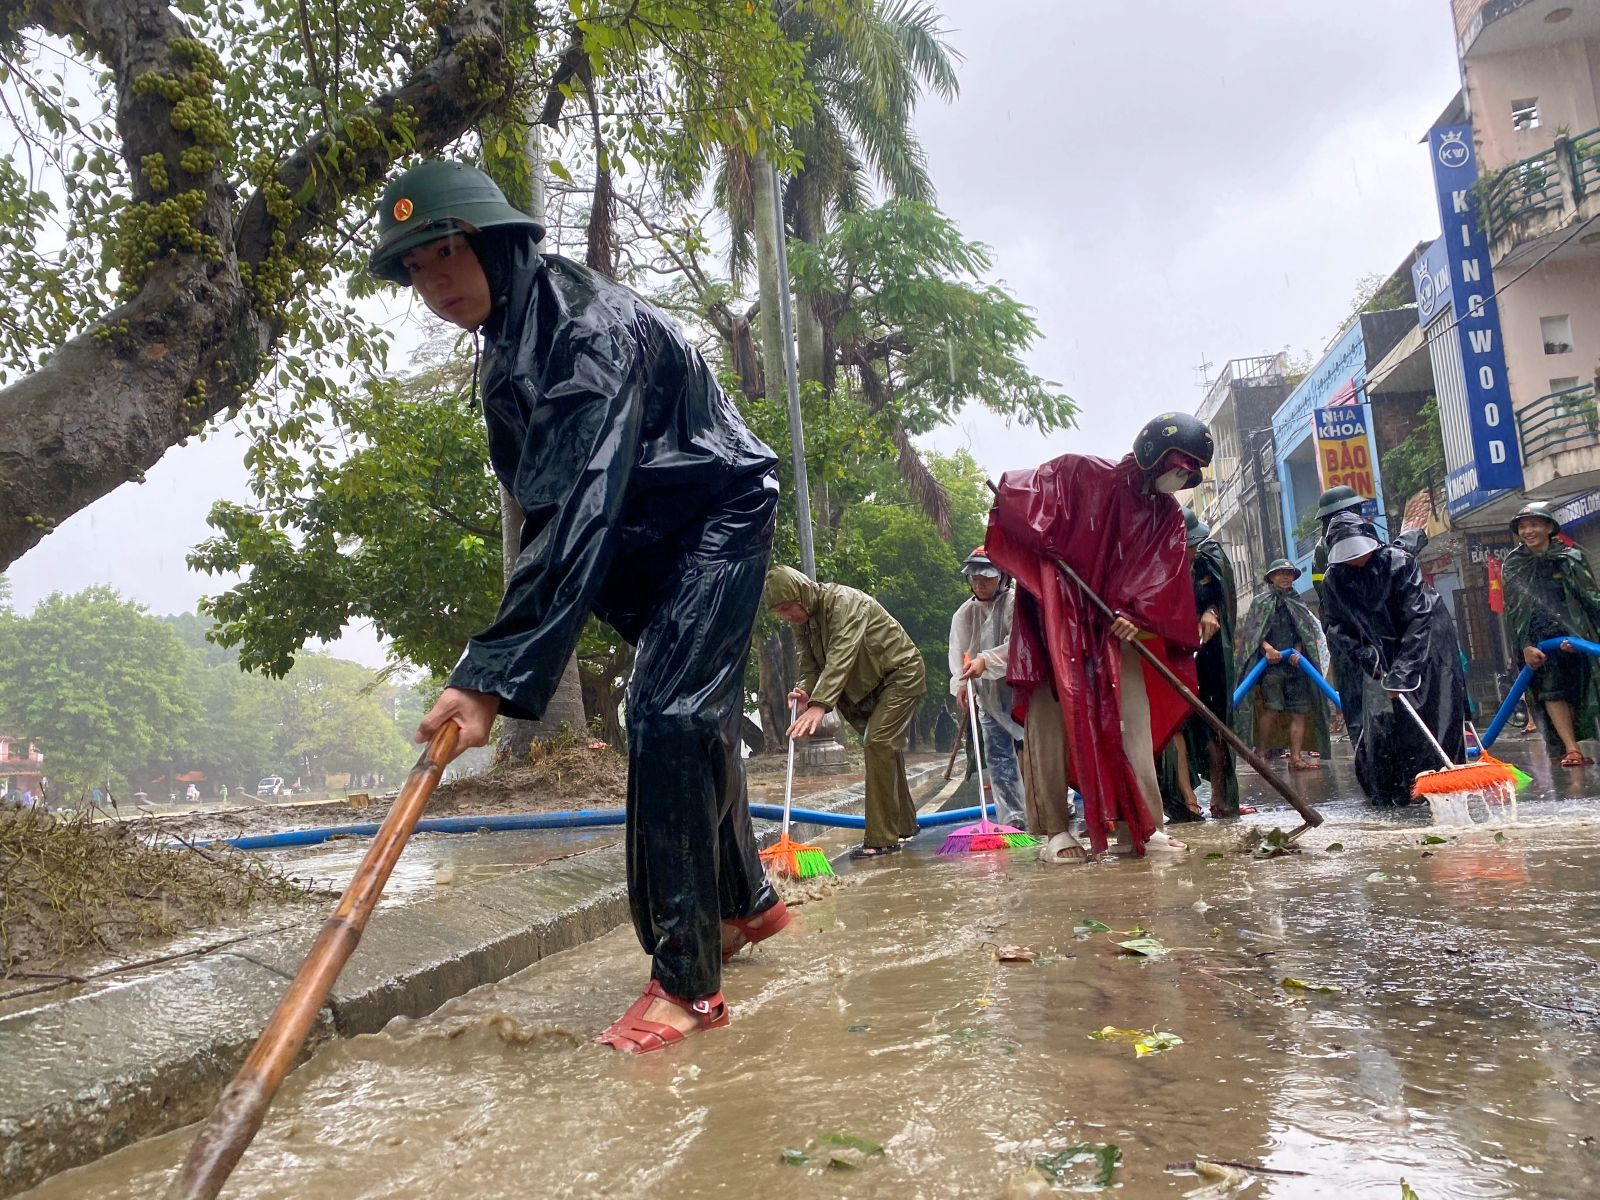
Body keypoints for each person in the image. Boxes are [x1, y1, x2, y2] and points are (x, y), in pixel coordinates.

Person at [369, 159, 786, 1053]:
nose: (434, 283)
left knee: (668, 716)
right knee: (693, 713)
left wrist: (488, 676)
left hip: (713, 512)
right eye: (415, 270)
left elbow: (574, 509)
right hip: (646, 539)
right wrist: (499, 660)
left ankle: (687, 984)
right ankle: (744, 902)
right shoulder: (505, 348)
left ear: (496, 243)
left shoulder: (584, 331)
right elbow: (549, 506)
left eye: (446, 254)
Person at [987, 412, 1211, 863]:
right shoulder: (1081, 474)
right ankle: (1055, 830)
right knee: (1051, 720)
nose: (1181, 476)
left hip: (1116, 633)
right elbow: (1018, 499)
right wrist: (1043, 546)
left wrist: (1138, 616)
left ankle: (1144, 824)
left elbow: (1165, 583)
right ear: (1153, 455)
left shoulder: (1167, 517)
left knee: (1132, 720)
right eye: (1178, 464)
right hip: (1058, 624)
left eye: (1189, 471)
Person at [763, 565, 925, 858]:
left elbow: (841, 654)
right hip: (864, 689)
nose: (787, 616)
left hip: (899, 674)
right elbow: (810, 665)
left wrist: (820, 704)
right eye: (781, 613)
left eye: (788, 608)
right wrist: (805, 691)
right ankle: (902, 825)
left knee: (877, 743)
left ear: (802, 593)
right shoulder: (803, 623)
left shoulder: (844, 602)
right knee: (882, 750)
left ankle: (882, 839)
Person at [1320, 510, 1467, 806]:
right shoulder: (1334, 580)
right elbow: (1335, 626)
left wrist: (1404, 670)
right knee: (1387, 718)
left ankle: (1437, 779)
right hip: (1379, 648)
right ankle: (1395, 786)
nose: (1355, 560)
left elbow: (1417, 617)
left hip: (1428, 642)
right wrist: (1367, 656)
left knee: (1435, 707)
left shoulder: (1398, 563)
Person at [1501, 501, 1600, 768]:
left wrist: (1581, 637)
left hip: (1577, 636)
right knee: (1551, 690)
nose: (1528, 531)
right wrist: (1525, 645)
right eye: (1523, 527)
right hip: (1539, 641)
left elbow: (1590, 598)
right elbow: (1514, 611)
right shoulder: (1513, 564)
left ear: (1548, 528)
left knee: (1581, 688)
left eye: (1534, 525)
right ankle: (1571, 748)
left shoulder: (1570, 557)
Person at [1157, 509, 1239, 821]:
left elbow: (1222, 598)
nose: (1190, 551)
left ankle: (1221, 795)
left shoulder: (1209, 559)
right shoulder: (1158, 565)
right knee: (1175, 723)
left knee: (1214, 726)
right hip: (1171, 652)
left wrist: (1212, 611)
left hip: (1209, 653)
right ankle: (1184, 797)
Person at [947, 546, 1027, 827]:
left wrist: (986, 660)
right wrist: (960, 684)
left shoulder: (1015, 603)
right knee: (999, 757)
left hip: (1021, 693)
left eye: (987, 578)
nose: (979, 584)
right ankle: (1013, 820)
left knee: (1033, 753)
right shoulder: (965, 614)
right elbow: (960, 653)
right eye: (975, 578)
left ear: (1003, 577)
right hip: (987, 697)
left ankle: (1054, 809)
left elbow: (1018, 645)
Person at [1238, 559, 1331, 771]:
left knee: (1299, 711)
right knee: (1271, 709)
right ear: (1271, 577)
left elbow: (1304, 632)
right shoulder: (1261, 602)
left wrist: (1298, 650)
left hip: (1296, 667)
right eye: (1280, 573)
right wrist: (1267, 649)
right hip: (1269, 668)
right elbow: (1253, 634)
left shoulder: (1298, 602)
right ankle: (1260, 754)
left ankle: (1296, 757)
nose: (1285, 576)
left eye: (1289, 573)